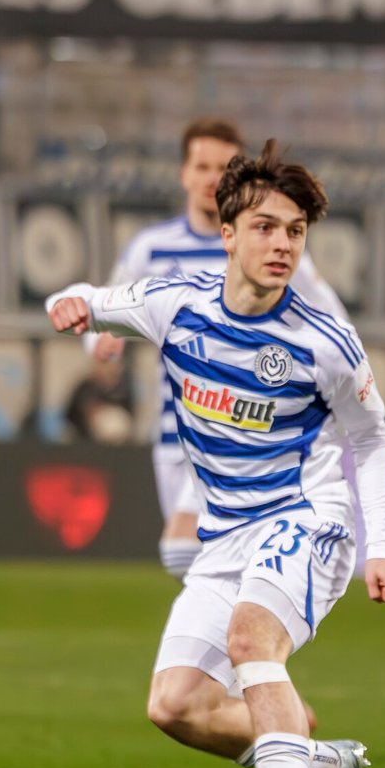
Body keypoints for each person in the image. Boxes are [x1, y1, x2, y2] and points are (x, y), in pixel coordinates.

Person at [44, 141, 385, 768]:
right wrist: (69, 304)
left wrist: (384, 546)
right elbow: (94, 298)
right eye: (266, 227)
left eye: (295, 232)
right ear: (227, 232)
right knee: (173, 706)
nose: (282, 244)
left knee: (249, 642)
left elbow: (371, 439)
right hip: (226, 536)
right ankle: (325, 762)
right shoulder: (178, 307)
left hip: (307, 521)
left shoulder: (322, 341)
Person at [100, 117, 347, 581]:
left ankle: (247, 633)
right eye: (202, 166)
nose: (212, 177)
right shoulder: (151, 249)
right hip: (174, 431)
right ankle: (248, 639)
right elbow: (108, 310)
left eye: (223, 166)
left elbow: (333, 320)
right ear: (184, 174)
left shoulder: (266, 243)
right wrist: (106, 337)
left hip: (243, 427)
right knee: (206, 562)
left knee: (181, 546)